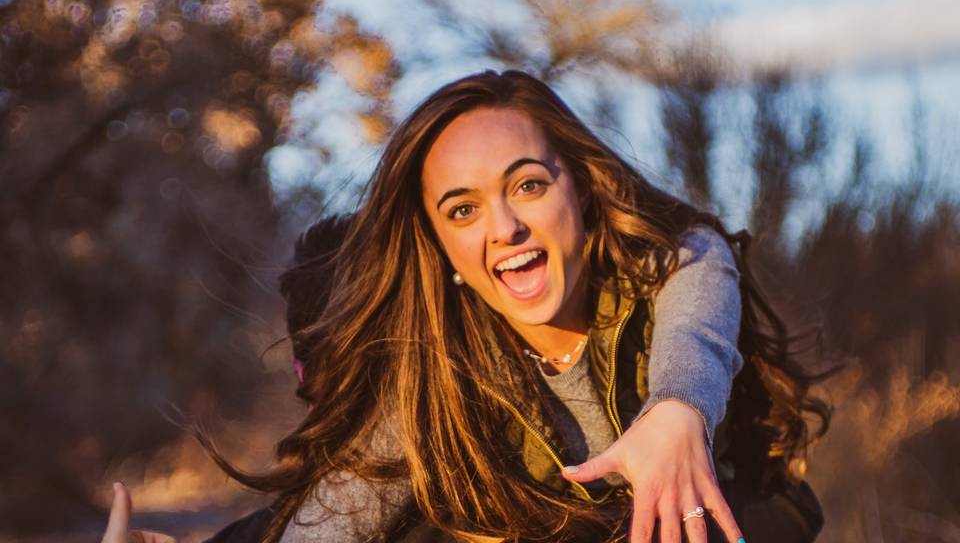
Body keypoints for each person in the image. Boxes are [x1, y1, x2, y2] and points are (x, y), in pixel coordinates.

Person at [104, 69, 828, 542]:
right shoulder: (436, 375)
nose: (505, 228)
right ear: (441, 248)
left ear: (580, 185)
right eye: (462, 209)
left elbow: (700, 279)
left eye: (528, 186)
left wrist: (679, 410)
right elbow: (337, 515)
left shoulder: (669, 275)